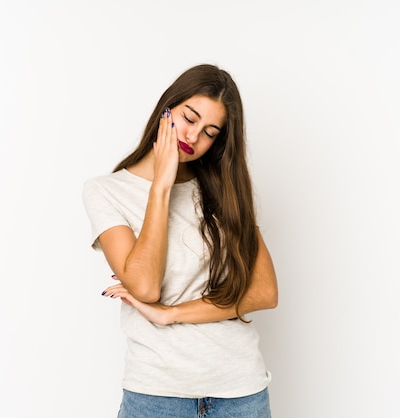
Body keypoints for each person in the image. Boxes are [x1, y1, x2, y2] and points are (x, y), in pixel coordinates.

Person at [82, 63, 278, 417]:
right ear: (167, 109)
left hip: (240, 391)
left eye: (210, 132)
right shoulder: (106, 192)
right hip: (157, 394)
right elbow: (144, 287)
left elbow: (264, 293)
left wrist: (171, 316)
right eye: (189, 118)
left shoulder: (225, 191)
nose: (193, 136)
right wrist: (161, 185)